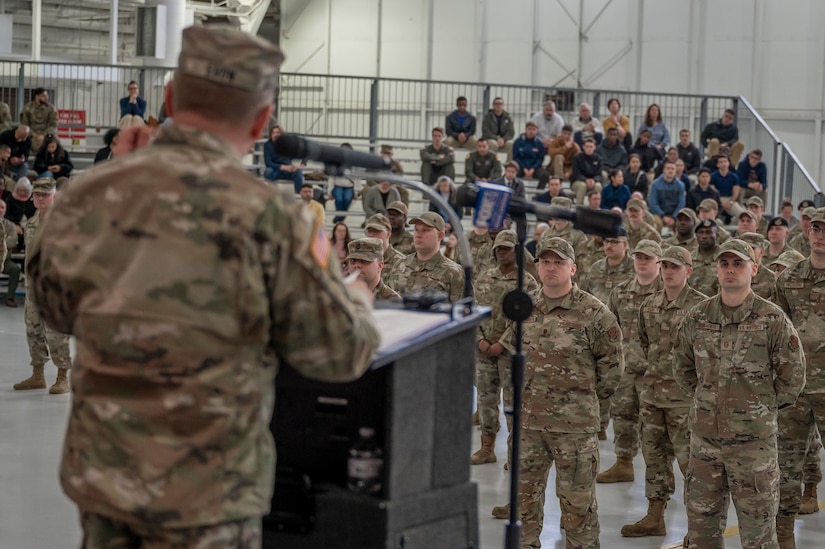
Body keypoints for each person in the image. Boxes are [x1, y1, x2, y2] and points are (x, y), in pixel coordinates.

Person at [25, 26, 380, 548]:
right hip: (208, 497)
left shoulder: (93, 193)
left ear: (168, 98)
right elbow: (340, 352)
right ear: (261, 122)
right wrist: (357, 300)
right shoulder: (274, 219)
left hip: (106, 480)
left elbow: (51, 304)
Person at [491, 237, 623, 548]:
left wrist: (581, 402)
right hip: (528, 426)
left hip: (574, 429)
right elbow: (511, 351)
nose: (551, 267)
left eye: (559, 262)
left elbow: (612, 368)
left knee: (578, 509)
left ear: (573, 268)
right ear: (537, 267)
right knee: (523, 507)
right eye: (545, 261)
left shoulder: (594, 312)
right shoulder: (525, 307)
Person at [673, 238, 804, 549]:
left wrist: (758, 409)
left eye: (738, 264)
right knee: (702, 533)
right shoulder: (698, 316)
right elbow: (682, 367)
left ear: (754, 269)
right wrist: (709, 401)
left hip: (753, 447)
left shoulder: (772, 320)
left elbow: (793, 378)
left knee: (758, 535)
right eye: (724, 264)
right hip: (705, 443)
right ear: (716, 270)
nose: (730, 270)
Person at [622, 246, 706, 538]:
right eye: (666, 266)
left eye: (675, 266)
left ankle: (698, 528)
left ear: (688, 271)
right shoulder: (650, 305)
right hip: (653, 395)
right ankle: (655, 517)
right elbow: (646, 344)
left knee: (691, 464)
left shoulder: (701, 307)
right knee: (654, 458)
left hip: (685, 400)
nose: (669, 271)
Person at [598, 240, 663, 485]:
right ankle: (623, 463)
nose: (642, 262)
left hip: (655, 371)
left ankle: (658, 475)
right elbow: (611, 328)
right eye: (638, 257)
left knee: (655, 426)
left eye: (647, 258)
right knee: (623, 417)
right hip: (626, 367)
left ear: (659, 261)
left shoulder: (666, 292)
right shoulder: (621, 291)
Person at [471, 230, 538, 465]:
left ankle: (514, 453)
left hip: (510, 352)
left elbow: (526, 318)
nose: (501, 252)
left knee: (513, 403)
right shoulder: (484, 277)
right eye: (498, 248)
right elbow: (475, 310)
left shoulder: (526, 282)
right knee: (486, 400)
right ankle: (487, 447)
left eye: (506, 248)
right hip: (483, 348)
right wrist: (480, 339)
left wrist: (503, 343)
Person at [11, 177, 72, 394]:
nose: (39, 198)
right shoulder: (32, 221)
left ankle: (62, 377)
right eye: (36, 194)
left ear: (54, 195)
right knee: (33, 329)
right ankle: (38, 375)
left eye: (45, 194)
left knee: (56, 332)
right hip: (32, 286)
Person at [394, 211, 465, 303]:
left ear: (440, 236)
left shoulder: (454, 273)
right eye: (416, 230)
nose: (418, 235)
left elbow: (462, 312)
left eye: (425, 230)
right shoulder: (399, 264)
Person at [344, 237, 401, 301]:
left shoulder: (392, 300)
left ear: (379, 266)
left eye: (364, 260)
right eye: (353, 260)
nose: (357, 265)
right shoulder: (342, 296)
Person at [364, 213, 405, 290]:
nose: (372, 235)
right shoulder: (361, 261)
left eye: (377, 231)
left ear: (388, 234)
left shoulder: (400, 262)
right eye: (369, 231)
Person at [263, 124, 306, 192]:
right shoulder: (267, 145)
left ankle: (299, 195)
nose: (275, 135)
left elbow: (304, 152)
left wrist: (302, 164)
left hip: (288, 169)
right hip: (275, 169)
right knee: (268, 171)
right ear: (270, 135)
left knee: (298, 173)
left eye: (277, 133)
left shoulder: (288, 144)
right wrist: (282, 167)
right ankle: (272, 194)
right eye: (273, 133)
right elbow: (268, 163)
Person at [647, 160, 686, 230]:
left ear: (675, 171)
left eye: (672, 169)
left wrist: (674, 217)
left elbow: (681, 204)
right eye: (668, 168)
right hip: (658, 214)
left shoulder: (681, 185)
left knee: (682, 224)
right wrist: (663, 216)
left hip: (674, 214)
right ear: (664, 170)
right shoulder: (655, 184)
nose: (670, 171)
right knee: (657, 223)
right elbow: (652, 203)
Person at [512, 121, 549, 189]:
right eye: (529, 129)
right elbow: (516, 157)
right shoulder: (518, 142)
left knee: (545, 175)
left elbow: (540, 159)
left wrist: (533, 169)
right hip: (520, 167)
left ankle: (537, 195)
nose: (531, 131)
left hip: (535, 168)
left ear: (537, 131)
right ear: (525, 130)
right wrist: (524, 168)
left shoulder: (539, 143)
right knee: (512, 174)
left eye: (534, 129)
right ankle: (515, 193)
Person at [690, 219, 721, 297]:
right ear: (696, 235)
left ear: (716, 235)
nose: (704, 236)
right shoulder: (689, 258)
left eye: (708, 232)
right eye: (701, 232)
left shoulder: (724, 258)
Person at [20, 88, 57, 153]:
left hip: (47, 136)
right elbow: (24, 124)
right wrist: (33, 134)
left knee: (56, 145)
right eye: (44, 96)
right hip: (31, 135)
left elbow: (53, 125)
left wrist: (44, 135)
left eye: (47, 95)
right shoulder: (27, 108)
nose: (46, 98)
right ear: (37, 96)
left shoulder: (51, 109)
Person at [570, 138, 603, 205]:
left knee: (598, 186)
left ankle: (596, 207)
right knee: (582, 186)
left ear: (595, 147)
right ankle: (579, 207)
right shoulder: (577, 158)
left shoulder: (598, 158)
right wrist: (585, 180)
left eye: (591, 146)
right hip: (578, 181)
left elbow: (599, 174)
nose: (589, 149)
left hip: (593, 181)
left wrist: (594, 180)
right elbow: (576, 173)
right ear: (583, 147)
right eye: (587, 146)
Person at [0, 199, 20, 307]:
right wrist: (5, 241)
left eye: (2, 207)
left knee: (15, 269)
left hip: (5, 261)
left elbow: (12, 241)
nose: (0, 209)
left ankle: (10, 298)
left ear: (5, 210)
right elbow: (8, 241)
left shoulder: (11, 225)